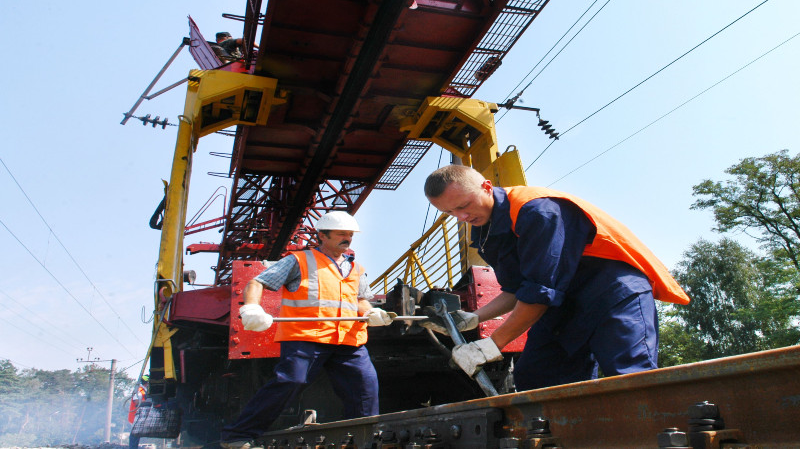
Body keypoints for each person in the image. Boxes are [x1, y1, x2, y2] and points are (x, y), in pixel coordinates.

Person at [421, 165, 690, 391]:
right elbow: (517, 289)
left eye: (464, 205)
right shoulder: (484, 230)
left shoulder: (538, 211)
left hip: (610, 294)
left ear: (487, 187)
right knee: (538, 379)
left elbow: (540, 291)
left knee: (630, 375)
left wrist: (490, 346)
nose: (462, 217)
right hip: (565, 304)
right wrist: (476, 318)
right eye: (450, 213)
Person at [219, 211, 392, 448]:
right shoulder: (299, 261)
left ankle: (364, 440)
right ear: (322, 235)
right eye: (341, 233)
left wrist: (370, 312)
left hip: (349, 339)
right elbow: (258, 282)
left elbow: (360, 299)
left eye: (350, 234)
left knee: (365, 385)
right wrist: (250, 308)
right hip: (307, 336)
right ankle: (237, 435)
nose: (347, 238)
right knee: (291, 381)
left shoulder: (356, 269)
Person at [128, 375, 149, 448]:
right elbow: (136, 402)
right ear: (146, 382)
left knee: (137, 434)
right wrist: (147, 401)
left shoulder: (144, 390)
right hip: (135, 416)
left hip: (139, 416)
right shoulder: (138, 390)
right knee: (134, 434)